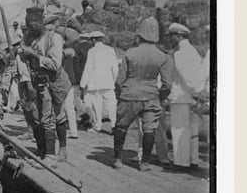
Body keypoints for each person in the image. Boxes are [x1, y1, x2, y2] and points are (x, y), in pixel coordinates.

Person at [112, 17, 173, 171]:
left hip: (129, 95)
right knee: (149, 130)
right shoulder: (163, 56)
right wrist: (159, 96)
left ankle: (118, 160)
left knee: (121, 127)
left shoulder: (130, 53)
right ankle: (144, 163)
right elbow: (167, 84)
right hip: (151, 96)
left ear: (140, 34)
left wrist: (121, 93)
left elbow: (119, 80)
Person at [20, 7, 72, 162]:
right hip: (36, 82)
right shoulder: (28, 38)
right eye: (28, 26)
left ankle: (53, 154)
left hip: (53, 83)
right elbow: (22, 59)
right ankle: (41, 152)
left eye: (32, 24)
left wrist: (33, 54)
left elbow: (55, 64)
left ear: (40, 22)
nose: (30, 29)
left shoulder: (54, 38)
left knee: (51, 117)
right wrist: (27, 82)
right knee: (36, 117)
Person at [165, 23, 207, 170]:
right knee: (192, 131)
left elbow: (186, 76)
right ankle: (193, 159)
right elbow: (199, 74)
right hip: (193, 96)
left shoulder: (180, 53)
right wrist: (199, 93)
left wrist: (196, 92)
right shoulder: (193, 51)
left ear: (179, 35)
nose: (170, 39)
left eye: (172, 36)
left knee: (179, 130)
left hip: (182, 97)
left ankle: (182, 162)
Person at [79, 31, 119, 133]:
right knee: (112, 105)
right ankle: (114, 125)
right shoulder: (110, 50)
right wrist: (113, 80)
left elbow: (88, 68)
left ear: (93, 40)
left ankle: (98, 125)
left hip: (95, 83)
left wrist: (83, 84)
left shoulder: (92, 51)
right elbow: (115, 67)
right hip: (108, 82)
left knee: (97, 105)